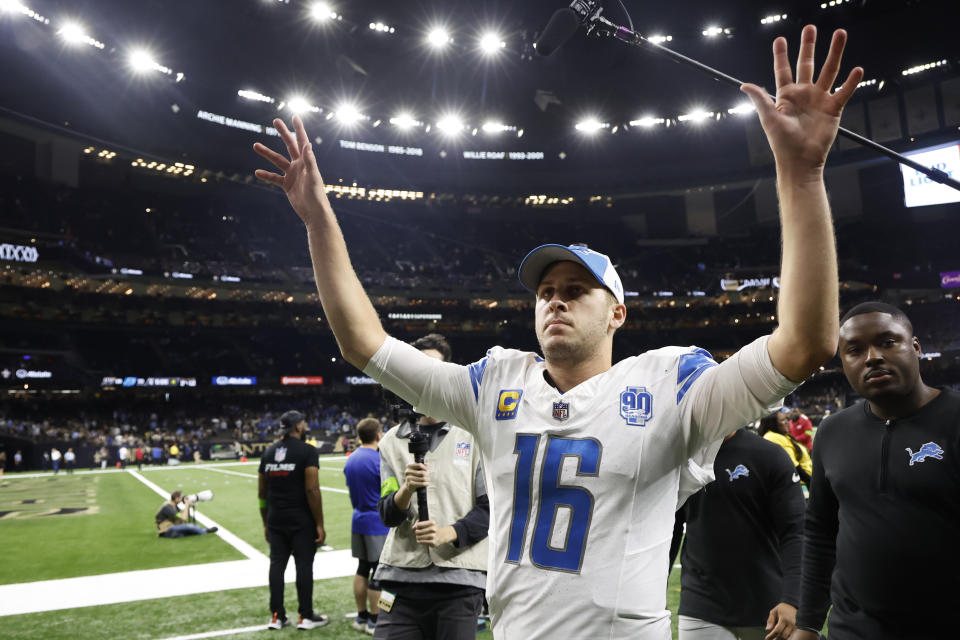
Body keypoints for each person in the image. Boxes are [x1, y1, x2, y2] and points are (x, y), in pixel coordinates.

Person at [254, 25, 858, 639]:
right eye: (545, 293)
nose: (555, 303)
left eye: (575, 291)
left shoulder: (670, 384)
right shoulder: (496, 383)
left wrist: (801, 175)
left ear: (617, 312)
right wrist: (318, 218)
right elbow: (365, 344)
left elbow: (806, 344)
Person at [791, 302, 960, 640]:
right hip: (853, 630)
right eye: (854, 350)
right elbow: (821, 532)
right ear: (845, 364)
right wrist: (808, 623)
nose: (872, 357)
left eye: (887, 342)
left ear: (915, 348)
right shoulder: (832, 432)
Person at [373, 334, 489, 640]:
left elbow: (492, 508)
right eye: (418, 370)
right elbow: (387, 514)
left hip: (460, 578)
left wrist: (448, 533)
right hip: (400, 575)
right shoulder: (389, 442)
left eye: (432, 369)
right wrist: (406, 490)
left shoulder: (474, 434)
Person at [670, 428, 805, 640]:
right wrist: (656, 589)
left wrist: (792, 599)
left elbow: (795, 533)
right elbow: (670, 528)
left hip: (769, 603)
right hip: (701, 602)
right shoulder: (680, 457)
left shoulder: (768, 455)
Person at [258, 410, 329, 630]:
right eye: (304, 422)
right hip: (301, 521)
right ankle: (305, 616)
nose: (306, 425)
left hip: (275, 519)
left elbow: (261, 494)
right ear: (298, 427)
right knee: (304, 566)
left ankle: (277, 616)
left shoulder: (268, 453)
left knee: (277, 566)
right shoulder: (307, 451)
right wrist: (319, 523)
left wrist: (265, 522)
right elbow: (312, 489)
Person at [343, 417, 389, 635]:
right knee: (380, 573)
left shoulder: (351, 459)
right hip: (378, 522)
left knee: (362, 568)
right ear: (378, 434)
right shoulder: (378, 459)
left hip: (358, 518)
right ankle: (375, 619)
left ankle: (361, 616)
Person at [759, 414, 813, 487]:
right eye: (783, 420)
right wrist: (809, 480)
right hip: (799, 482)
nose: (787, 421)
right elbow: (792, 464)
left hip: (807, 446)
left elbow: (809, 433)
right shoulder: (774, 437)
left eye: (787, 419)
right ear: (773, 423)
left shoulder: (805, 421)